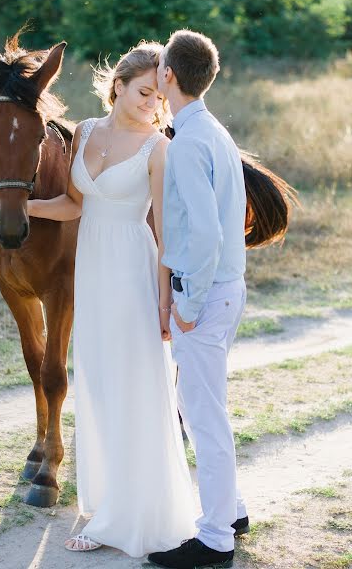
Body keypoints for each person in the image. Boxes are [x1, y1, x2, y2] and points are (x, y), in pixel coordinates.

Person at [27, 42, 196, 557]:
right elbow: (74, 205)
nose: (153, 103)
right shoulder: (84, 132)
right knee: (97, 384)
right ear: (118, 84)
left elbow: (166, 234)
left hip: (132, 273)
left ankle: (131, 518)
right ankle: (104, 500)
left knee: (132, 388)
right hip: (93, 273)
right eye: (145, 92)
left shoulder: (157, 147)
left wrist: (164, 304)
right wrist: (21, 204)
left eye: (159, 95)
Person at [148, 30, 249, 569]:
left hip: (205, 299)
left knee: (204, 418)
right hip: (228, 291)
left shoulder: (188, 143)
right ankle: (231, 511)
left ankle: (214, 540)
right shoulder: (211, 130)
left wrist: (185, 307)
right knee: (208, 408)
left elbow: (205, 236)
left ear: (167, 76)